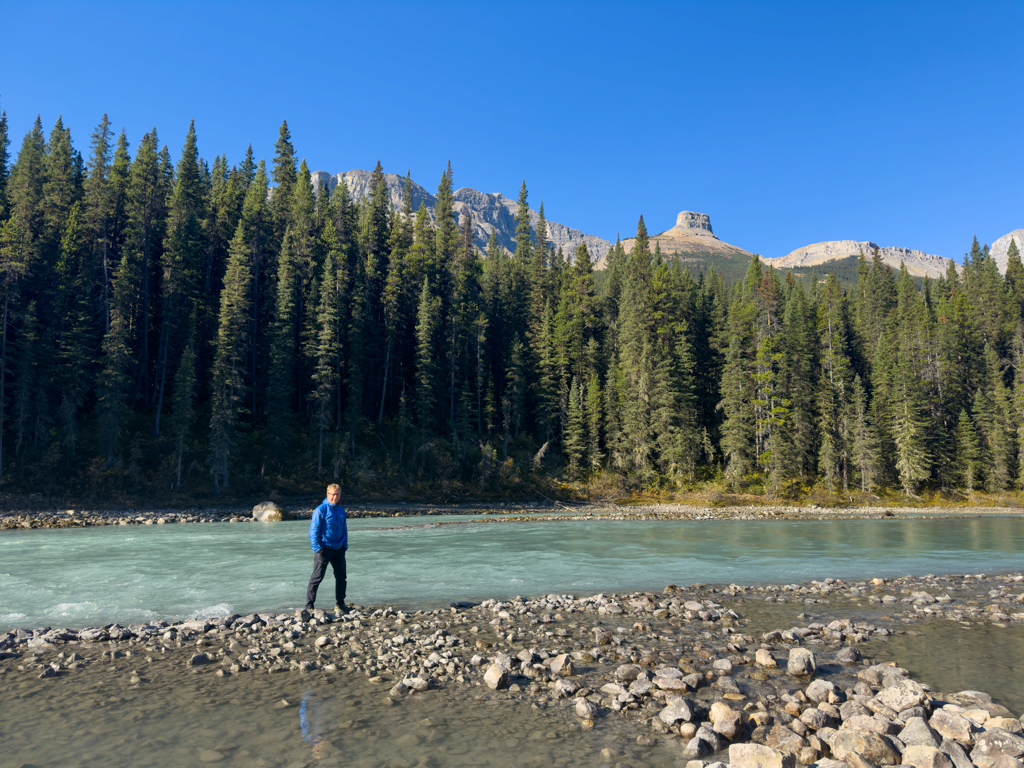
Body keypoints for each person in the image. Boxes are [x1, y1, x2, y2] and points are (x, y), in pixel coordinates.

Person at [305, 483, 348, 614]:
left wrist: (345, 545)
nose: (335, 497)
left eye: (337, 494)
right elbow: (313, 531)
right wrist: (317, 548)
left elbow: (344, 529)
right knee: (317, 577)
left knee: (341, 577)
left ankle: (340, 604)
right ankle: (309, 606)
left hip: (339, 548)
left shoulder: (341, 510)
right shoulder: (320, 510)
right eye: (333, 494)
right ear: (327, 494)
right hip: (324, 549)